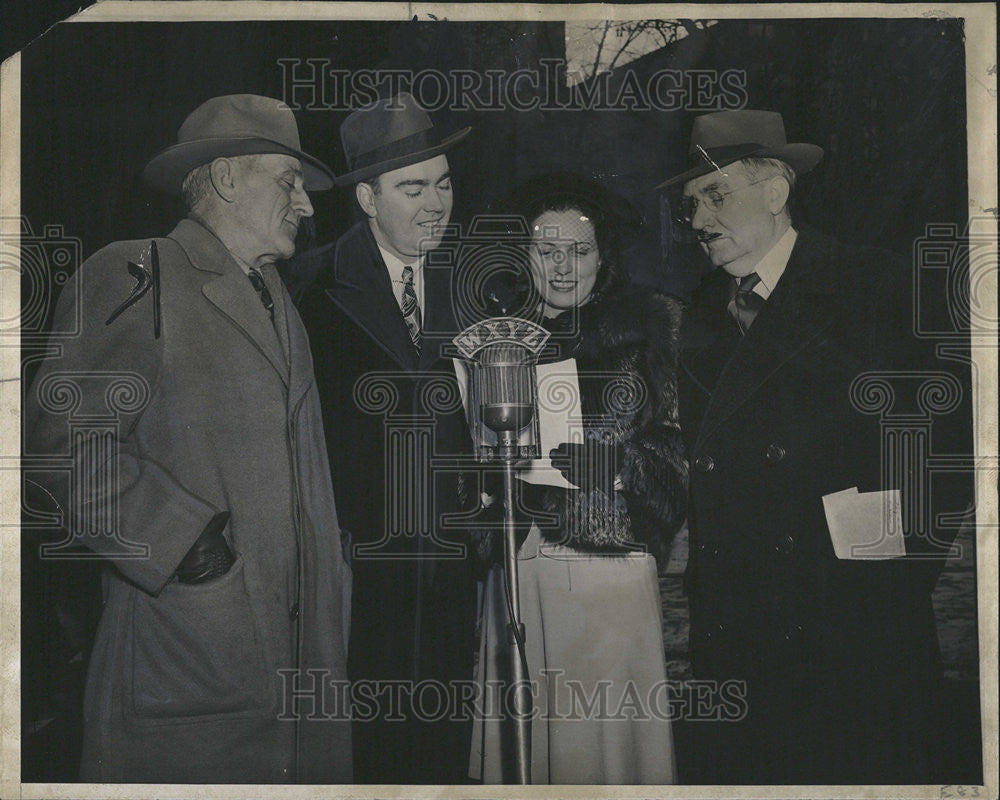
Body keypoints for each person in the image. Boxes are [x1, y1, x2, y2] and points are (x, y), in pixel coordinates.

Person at [24, 94, 352, 783]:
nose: (308, 205)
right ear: (227, 177)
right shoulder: (137, 274)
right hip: (191, 650)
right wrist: (186, 544)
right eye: (288, 182)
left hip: (295, 660)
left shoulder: (275, 295)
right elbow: (58, 449)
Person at [662, 109, 971, 784]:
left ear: (776, 192)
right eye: (691, 204)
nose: (700, 221)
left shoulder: (875, 286)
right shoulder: (703, 317)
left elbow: (950, 440)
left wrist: (887, 565)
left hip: (852, 628)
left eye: (716, 195)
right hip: (739, 632)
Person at [469, 173, 688, 784]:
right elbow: (466, 465)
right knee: (526, 751)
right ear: (524, 254)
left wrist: (616, 469)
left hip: (607, 579)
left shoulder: (651, 325)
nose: (563, 269)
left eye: (581, 251)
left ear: (604, 255)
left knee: (603, 758)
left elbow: (676, 455)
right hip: (518, 568)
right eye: (547, 250)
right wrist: (489, 483)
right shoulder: (495, 338)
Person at [292, 93, 477, 784]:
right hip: (358, 572)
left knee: (445, 749)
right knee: (366, 754)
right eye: (412, 188)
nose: (437, 205)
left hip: (455, 569)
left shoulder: (471, 280)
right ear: (367, 197)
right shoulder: (308, 289)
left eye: (445, 183)